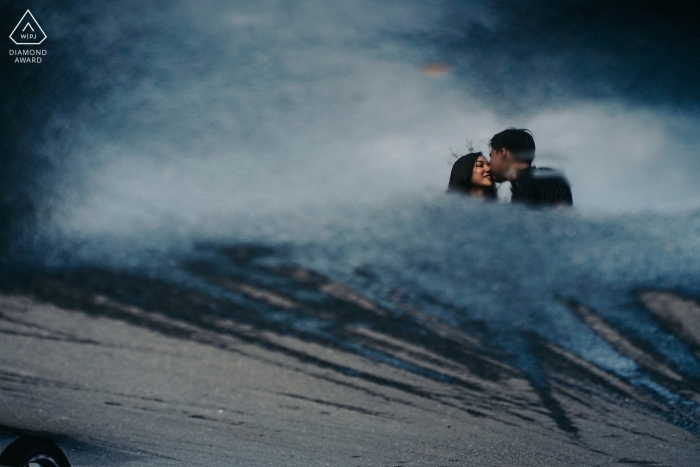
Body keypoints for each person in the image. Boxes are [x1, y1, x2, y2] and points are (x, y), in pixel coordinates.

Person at [488, 128, 572, 206]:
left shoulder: (523, 186)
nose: (489, 163)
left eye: (491, 156)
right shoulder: (552, 177)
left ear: (503, 152)